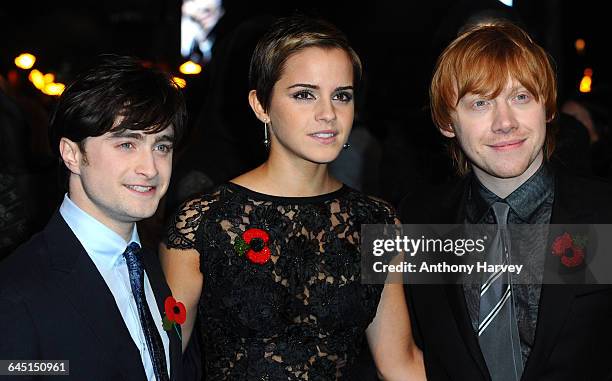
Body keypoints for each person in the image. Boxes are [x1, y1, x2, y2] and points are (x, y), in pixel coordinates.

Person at [161, 15, 425, 380]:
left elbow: (400, 362)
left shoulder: (375, 222)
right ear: (261, 106)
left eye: (341, 96)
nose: (328, 114)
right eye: (304, 94)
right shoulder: (205, 221)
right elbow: (162, 359)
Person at [400, 21, 612, 380]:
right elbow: (403, 352)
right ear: (447, 122)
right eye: (480, 103)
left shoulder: (604, 212)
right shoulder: (414, 219)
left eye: (520, 97)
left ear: (546, 107)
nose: (505, 122)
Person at [0, 55, 187, 380]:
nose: (151, 168)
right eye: (127, 144)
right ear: (72, 154)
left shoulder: (147, 264)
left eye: (161, 147)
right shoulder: (16, 291)